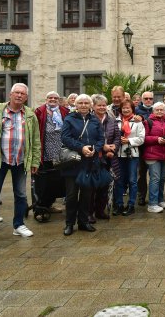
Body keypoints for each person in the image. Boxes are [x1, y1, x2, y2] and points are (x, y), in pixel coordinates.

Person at [0, 83, 40, 245]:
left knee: (21, 195)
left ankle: (18, 225)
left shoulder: (30, 115)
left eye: (22, 94)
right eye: (16, 93)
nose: (19, 96)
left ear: (26, 97)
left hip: (20, 160)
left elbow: (36, 141)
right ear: (10, 95)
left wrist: (35, 160)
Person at [61, 94, 104, 236]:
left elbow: (101, 139)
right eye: (81, 103)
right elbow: (65, 138)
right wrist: (82, 148)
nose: (84, 105)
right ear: (76, 105)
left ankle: (84, 222)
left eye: (87, 103)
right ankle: (69, 223)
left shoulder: (95, 120)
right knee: (72, 195)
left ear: (91, 105)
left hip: (90, 163)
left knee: (87, 194)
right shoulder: (69, 119)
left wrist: (94, 149)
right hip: (74, 162)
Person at [34, 91, 69, 213]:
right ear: (46, 99)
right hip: (45, 150)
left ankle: (51, 203)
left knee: (57, 179)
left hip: (61, 150)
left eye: (55, 98)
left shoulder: (64, 111)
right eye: (50, 97)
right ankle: (42, 205)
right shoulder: (39, 111)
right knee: (44, 180)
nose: (53, 99)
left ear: (59, 100)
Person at [142, 101, 165, 213]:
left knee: (162, 179)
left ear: (164, 111)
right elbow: (144, 138)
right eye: (157, 109)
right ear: (153, 111)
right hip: (152, 155)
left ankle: (160, 199)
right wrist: (156, 139)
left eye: (161, 109)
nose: (159, 111)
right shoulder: (148, 122)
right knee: (155, 178)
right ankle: (152, 203)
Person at [114, 99, 145, 216]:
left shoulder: (137, 122)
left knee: (132, 180)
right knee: (119, 180)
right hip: (119, 154)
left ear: (132, 109)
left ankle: (131, 205)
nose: (126, 110)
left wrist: (129, 140)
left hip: (132, 154)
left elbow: (141, 139)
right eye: (124, 108)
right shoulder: (117, 121)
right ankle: (119, 204)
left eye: (128, 108)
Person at [92, 94, 120, 220]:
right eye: (99, 105)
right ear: (93, 106)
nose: (102, 107)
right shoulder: (90, 119)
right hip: (94, 157)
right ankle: (89, 213)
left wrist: (113, 149)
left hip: (109, 157)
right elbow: (90, 138)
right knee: (92, 186)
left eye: (104, 105)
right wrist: (104, 148)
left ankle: (100, 211)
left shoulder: (111, 119)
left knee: (105, 185)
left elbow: (117, 136)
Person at [135, 91, 155, 207]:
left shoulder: (157, 109)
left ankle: (155, 196)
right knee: (141, 173)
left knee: (155, 174)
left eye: (150, 98)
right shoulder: (136, 110)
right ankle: (141, 195)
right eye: (146, 98)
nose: (148, 100)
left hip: (153, 146)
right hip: (141, 147)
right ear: (142, 99)